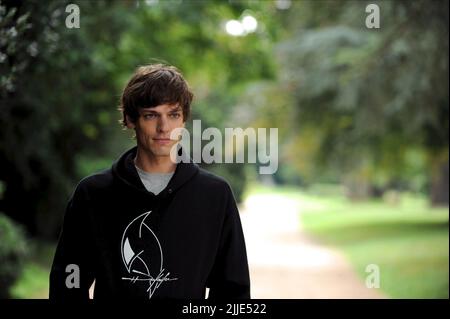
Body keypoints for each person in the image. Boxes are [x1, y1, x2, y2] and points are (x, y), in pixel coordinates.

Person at [49, 64, 250, 300]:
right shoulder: (93, 193)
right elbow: (68, 283)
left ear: (183, 120)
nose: (164, 127)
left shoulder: (214, 195)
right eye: (151, 115)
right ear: (130, 119)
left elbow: (232, 289)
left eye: (173, 114)